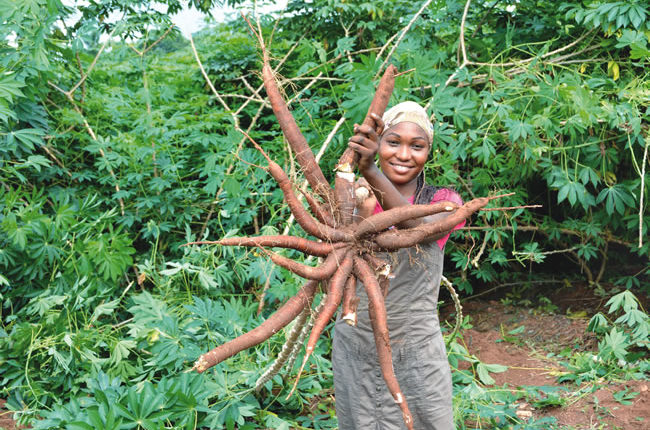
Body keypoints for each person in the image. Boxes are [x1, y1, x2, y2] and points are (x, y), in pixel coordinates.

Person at [332, 101, 463, 430]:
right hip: (355, 344)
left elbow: (420, 229)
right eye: (393, 142)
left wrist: (371, 172)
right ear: (378, 144)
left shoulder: (444, 201)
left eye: (416, 146)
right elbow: (332, 267)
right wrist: (358, 197)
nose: (404, 155)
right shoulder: (352, 198)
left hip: (415, 350)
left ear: (428, 152)